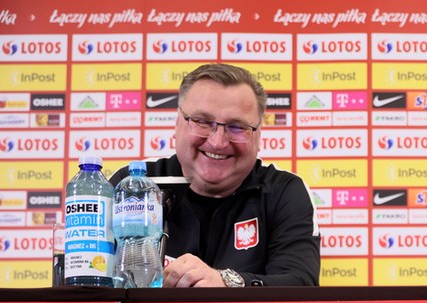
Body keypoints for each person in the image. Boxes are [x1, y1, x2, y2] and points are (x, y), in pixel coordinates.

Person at [111, 63, 320, 287]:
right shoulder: (131, 186)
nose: (217, 142)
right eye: (202, 121)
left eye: (237, 127)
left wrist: (226, 282)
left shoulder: (284, 191)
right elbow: (91, 277)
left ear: (258, 136)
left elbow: (300, 287)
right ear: (177, 123)